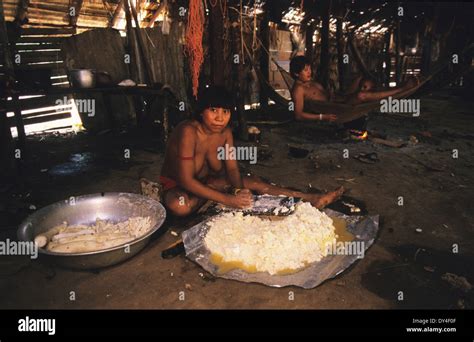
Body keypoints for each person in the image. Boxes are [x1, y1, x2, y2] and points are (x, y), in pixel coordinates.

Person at [159, 85, 344, 217]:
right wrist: (228, 199)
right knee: (180, 207)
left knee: (257, 184)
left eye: (226, 112)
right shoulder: (188, 132)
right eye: (213, 110)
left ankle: (312, 198)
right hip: (178, 186)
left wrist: (239, 190)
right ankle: (212, 194)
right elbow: (185, 179)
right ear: (201, 111)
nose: (220, 118)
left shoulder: (225, 133)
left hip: (209, 182)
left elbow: (231, 169)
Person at [289, 56, 419, 122]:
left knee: (363, 79)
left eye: (310, 68)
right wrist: (323, 117)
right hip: (337, 109)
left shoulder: (310, 82)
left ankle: (394, 89)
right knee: (362, 95)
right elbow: (298, 115)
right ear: (296, 73)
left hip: (339, 98)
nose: (309, 72)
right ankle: (403, 89)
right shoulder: (298, 90)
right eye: (305, 70)